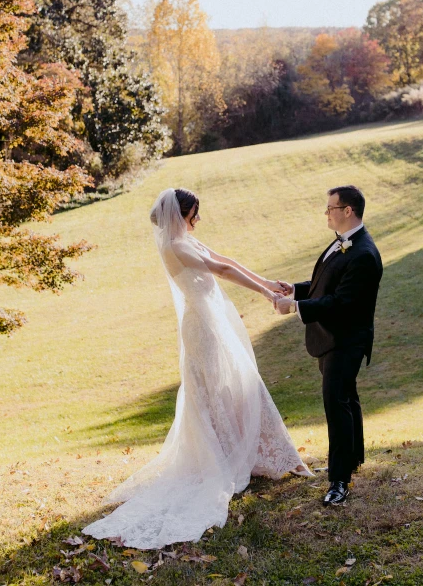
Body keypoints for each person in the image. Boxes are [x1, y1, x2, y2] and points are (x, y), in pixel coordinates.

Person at [83, 188, 311, 549]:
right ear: (181, 215)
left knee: (234, 384)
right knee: (222, 388)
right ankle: (235, 455)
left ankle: (252, 452)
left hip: (212, 320)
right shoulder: (175, 246)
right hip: (203, 327)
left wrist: (268, 282)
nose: (198, 221)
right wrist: (267, 296)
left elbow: (226, 259)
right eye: (194, 214)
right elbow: (220, 269)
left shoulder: (185, 239)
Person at [273, 185, 383, 506]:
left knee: (336, 404)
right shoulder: (342, 244)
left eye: (330, 208)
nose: (327, 213)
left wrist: (294, 307)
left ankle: (339, 482)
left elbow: (341, 302)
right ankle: (351, 461)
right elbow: (324, 286)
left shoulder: (363, 253)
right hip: (335, 338)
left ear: (347, 211)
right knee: (347, 398)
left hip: (346, 340)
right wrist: (294, 289)